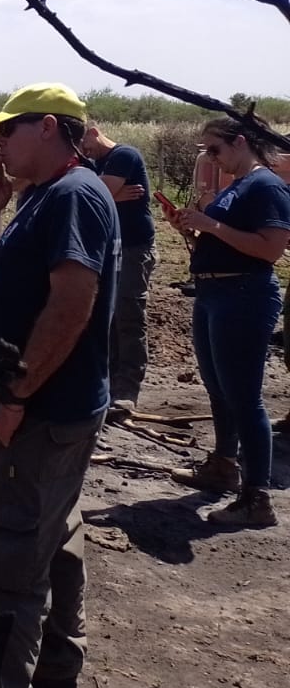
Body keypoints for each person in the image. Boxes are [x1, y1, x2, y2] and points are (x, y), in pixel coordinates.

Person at [0, 83, 118, 688]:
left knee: (3, 563)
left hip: (42, 412)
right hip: (47, 410)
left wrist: (17, 395)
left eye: (8, 131)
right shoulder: (41, 197)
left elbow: (74, 302)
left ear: (48, 129)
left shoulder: (75, 195)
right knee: (55, 539)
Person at [162, 118, 290, 529]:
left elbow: (271, 249)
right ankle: (223, 464)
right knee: (219, 388)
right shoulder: (238, 186)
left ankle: (257, 497)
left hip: (243, 295)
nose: (210, 158)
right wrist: (193, 230)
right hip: (216, 293)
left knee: (244, 396)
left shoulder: (265, 185)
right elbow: (225, 238)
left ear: (240, 142)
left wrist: (211, 225)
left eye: (215, 150)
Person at [82, 120, 157, 409]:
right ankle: (109, 381)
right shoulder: (95, 164)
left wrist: (105, 193)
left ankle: (127, 389)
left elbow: (91, 194)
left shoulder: (123, 156)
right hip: (109, 249)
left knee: (128, 315)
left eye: (84, 143)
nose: (83, 150)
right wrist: (110, 194)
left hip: (134, 247)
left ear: (94, 131)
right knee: (107, 316)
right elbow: (93, 193)